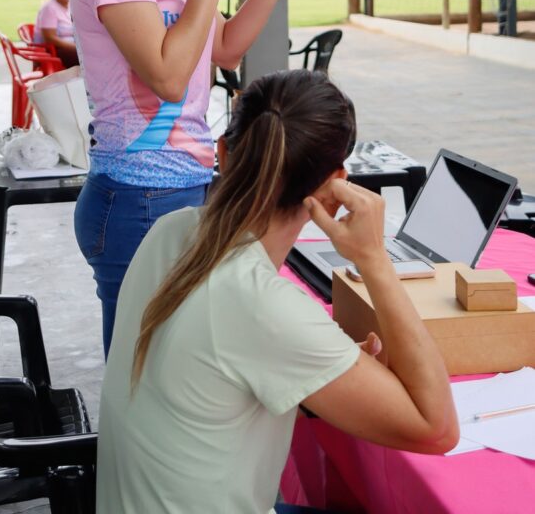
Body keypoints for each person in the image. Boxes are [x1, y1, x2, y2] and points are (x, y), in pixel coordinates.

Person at [97, 69, 459, 514]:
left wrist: (317, 376)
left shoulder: (168, 233)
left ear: (224, 153)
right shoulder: (261, 303)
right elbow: (437, 429)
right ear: (334, 189)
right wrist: (375, 260)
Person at [68, 0, 314, 355]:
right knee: (141, 383)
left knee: (170, 371)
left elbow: (222, 48)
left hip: (186, 184)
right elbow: (169, 74)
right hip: (136, 197)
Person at [33, 0, 79, 68]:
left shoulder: (69, 7)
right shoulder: (49, 9)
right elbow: (50, 38)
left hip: (68, 47)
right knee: (89, 57)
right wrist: (75, 47)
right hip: (54, 51)